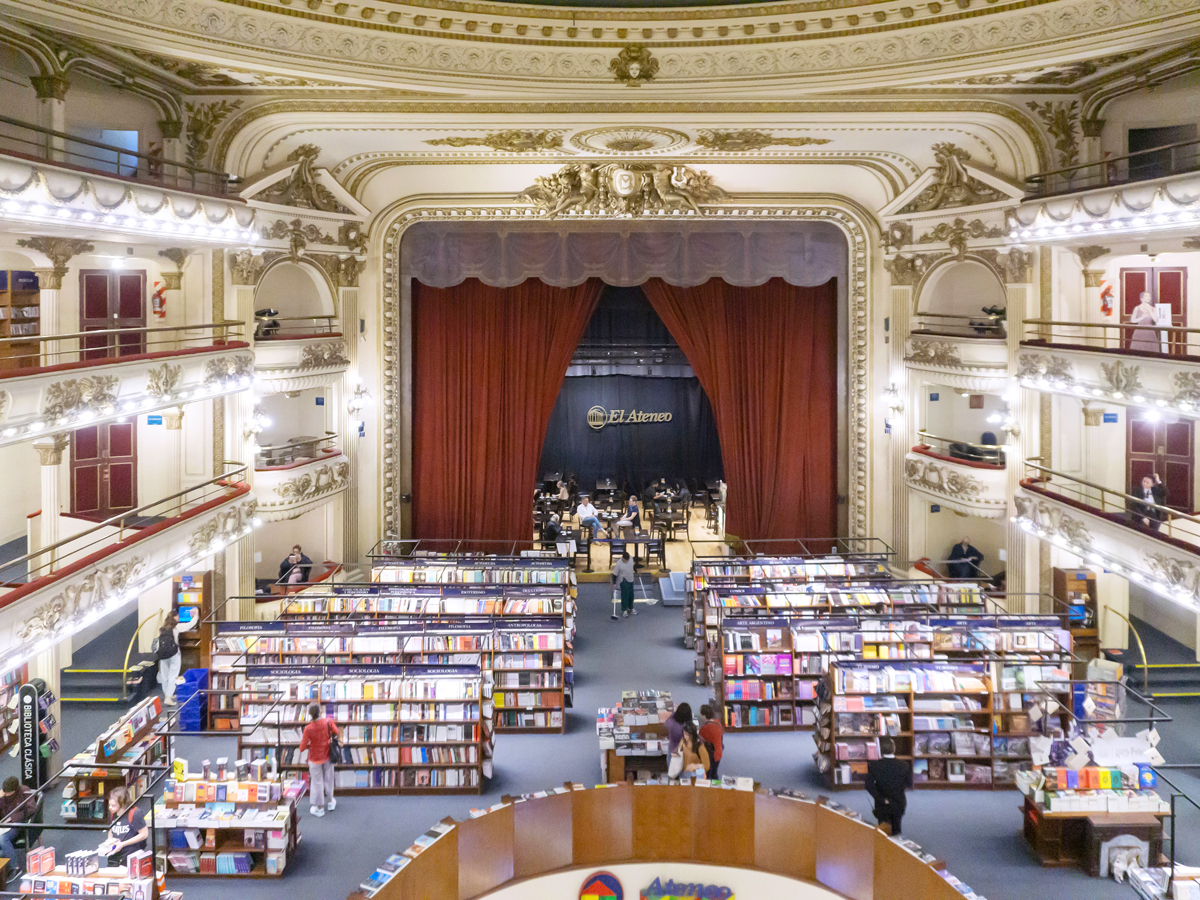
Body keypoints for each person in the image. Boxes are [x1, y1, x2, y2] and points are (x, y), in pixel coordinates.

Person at [298, 702, 339, 817]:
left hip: (314, 758)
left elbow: (302, 748)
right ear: (320, 711)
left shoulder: (308, 729)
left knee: (317, 783)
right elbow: (336, 732)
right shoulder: (328, 722)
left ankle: (320, 808)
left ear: (310, 714)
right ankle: (330, 802)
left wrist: (310, 742)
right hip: (327, 755)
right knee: (329, 779)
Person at [866, 737, 911, 835]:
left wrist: (880, 798)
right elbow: (909, 784)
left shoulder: (874, 765)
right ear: (894, 748)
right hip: (898, 802)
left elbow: (868, 785)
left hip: (882, 804)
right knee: (897, 828)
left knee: (883, 829)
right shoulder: (904, 765)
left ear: (880, 750)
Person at [0, 777, 36, 881]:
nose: (6, 795)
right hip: (3, 824)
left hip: (17, 825)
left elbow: (31, 809)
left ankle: (15, 867)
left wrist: (12, 818)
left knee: (3, 839)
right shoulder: (3, 794)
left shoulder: (24, 791)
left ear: (15, 790)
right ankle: (4, 860)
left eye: (9, 793)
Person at [155, 608, 193, 706]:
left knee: (165, 675)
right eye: (178, 616)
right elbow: (189, 625)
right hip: (174, 654)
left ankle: (167, 693)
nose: (179, 617)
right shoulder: (176, 627)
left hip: (163, 655)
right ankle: (168, 697)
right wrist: (195, 616)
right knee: (173, 675)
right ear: (175, 617)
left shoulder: (162, 629)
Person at [101, 787, 148, 865]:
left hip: (130, 855)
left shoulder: (136, 813)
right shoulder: (113, 813)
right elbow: (111, 830)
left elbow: (144, 834)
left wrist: (123, 844)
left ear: (122, 803)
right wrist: (110, 840)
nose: (110, 808)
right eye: (109, 805)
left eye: (113, 805)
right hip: (115, 855)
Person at [698, 705, 724, 780]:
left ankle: (710, 790)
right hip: (718, 753)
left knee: (708, 775)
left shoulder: (705, 728)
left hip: (710, 756)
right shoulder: (718, 723)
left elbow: (700, 742)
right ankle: (717, 788)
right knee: (714, 773)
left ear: (704, 716)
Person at [612, 551, 636, 617]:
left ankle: (631, 608)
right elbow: (615, 574)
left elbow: (633, 567)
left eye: (627, 560)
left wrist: (636, 571)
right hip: (624, 580)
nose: (626, 561)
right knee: (625, 595)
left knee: (631, 595)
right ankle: (624, 610)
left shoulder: (631, 559)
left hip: (631, 579)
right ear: (623, 558)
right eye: (625, 560)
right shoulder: (619, 564)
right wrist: (614, 583)